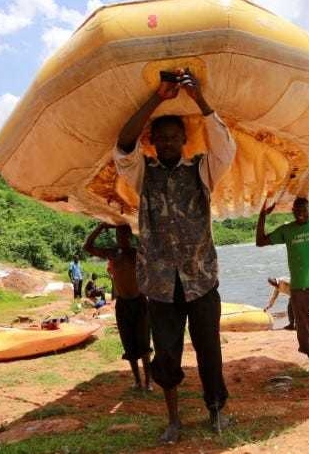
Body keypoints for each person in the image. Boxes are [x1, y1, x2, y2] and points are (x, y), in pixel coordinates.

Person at [114, 68, 236, 442]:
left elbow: (225, 147)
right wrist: (159, 97)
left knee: (208, 349)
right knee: (165, 355)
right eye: (161, 138)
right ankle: (173, 420)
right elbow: (123, 144)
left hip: (200, 279)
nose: (167, 143)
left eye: (173, 137)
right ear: (153, 142)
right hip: (160, 284)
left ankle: (217, 412)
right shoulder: (142, 173)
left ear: (184, 138)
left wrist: (198, 98)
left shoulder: (202, 170)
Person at [256, 192, 309, 373]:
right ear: (293, 212)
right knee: (302, 328)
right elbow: (260, 241)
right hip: (298, 289)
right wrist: (263, 215)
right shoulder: (287, 230)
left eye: (303, 210)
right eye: (297, 211)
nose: (300, 214)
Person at [84, 222, 152, 392]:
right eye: (118, 236)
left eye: (124, 235)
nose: (120, 239)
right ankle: (137, 380)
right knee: (129, 344)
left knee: (144, 343)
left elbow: (152, 249)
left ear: (130, 237)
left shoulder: (137, 253)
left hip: (139, 301)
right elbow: (88, 246)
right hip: (123, 303)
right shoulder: (112, 253)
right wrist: (100, 227)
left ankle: (148, 382)